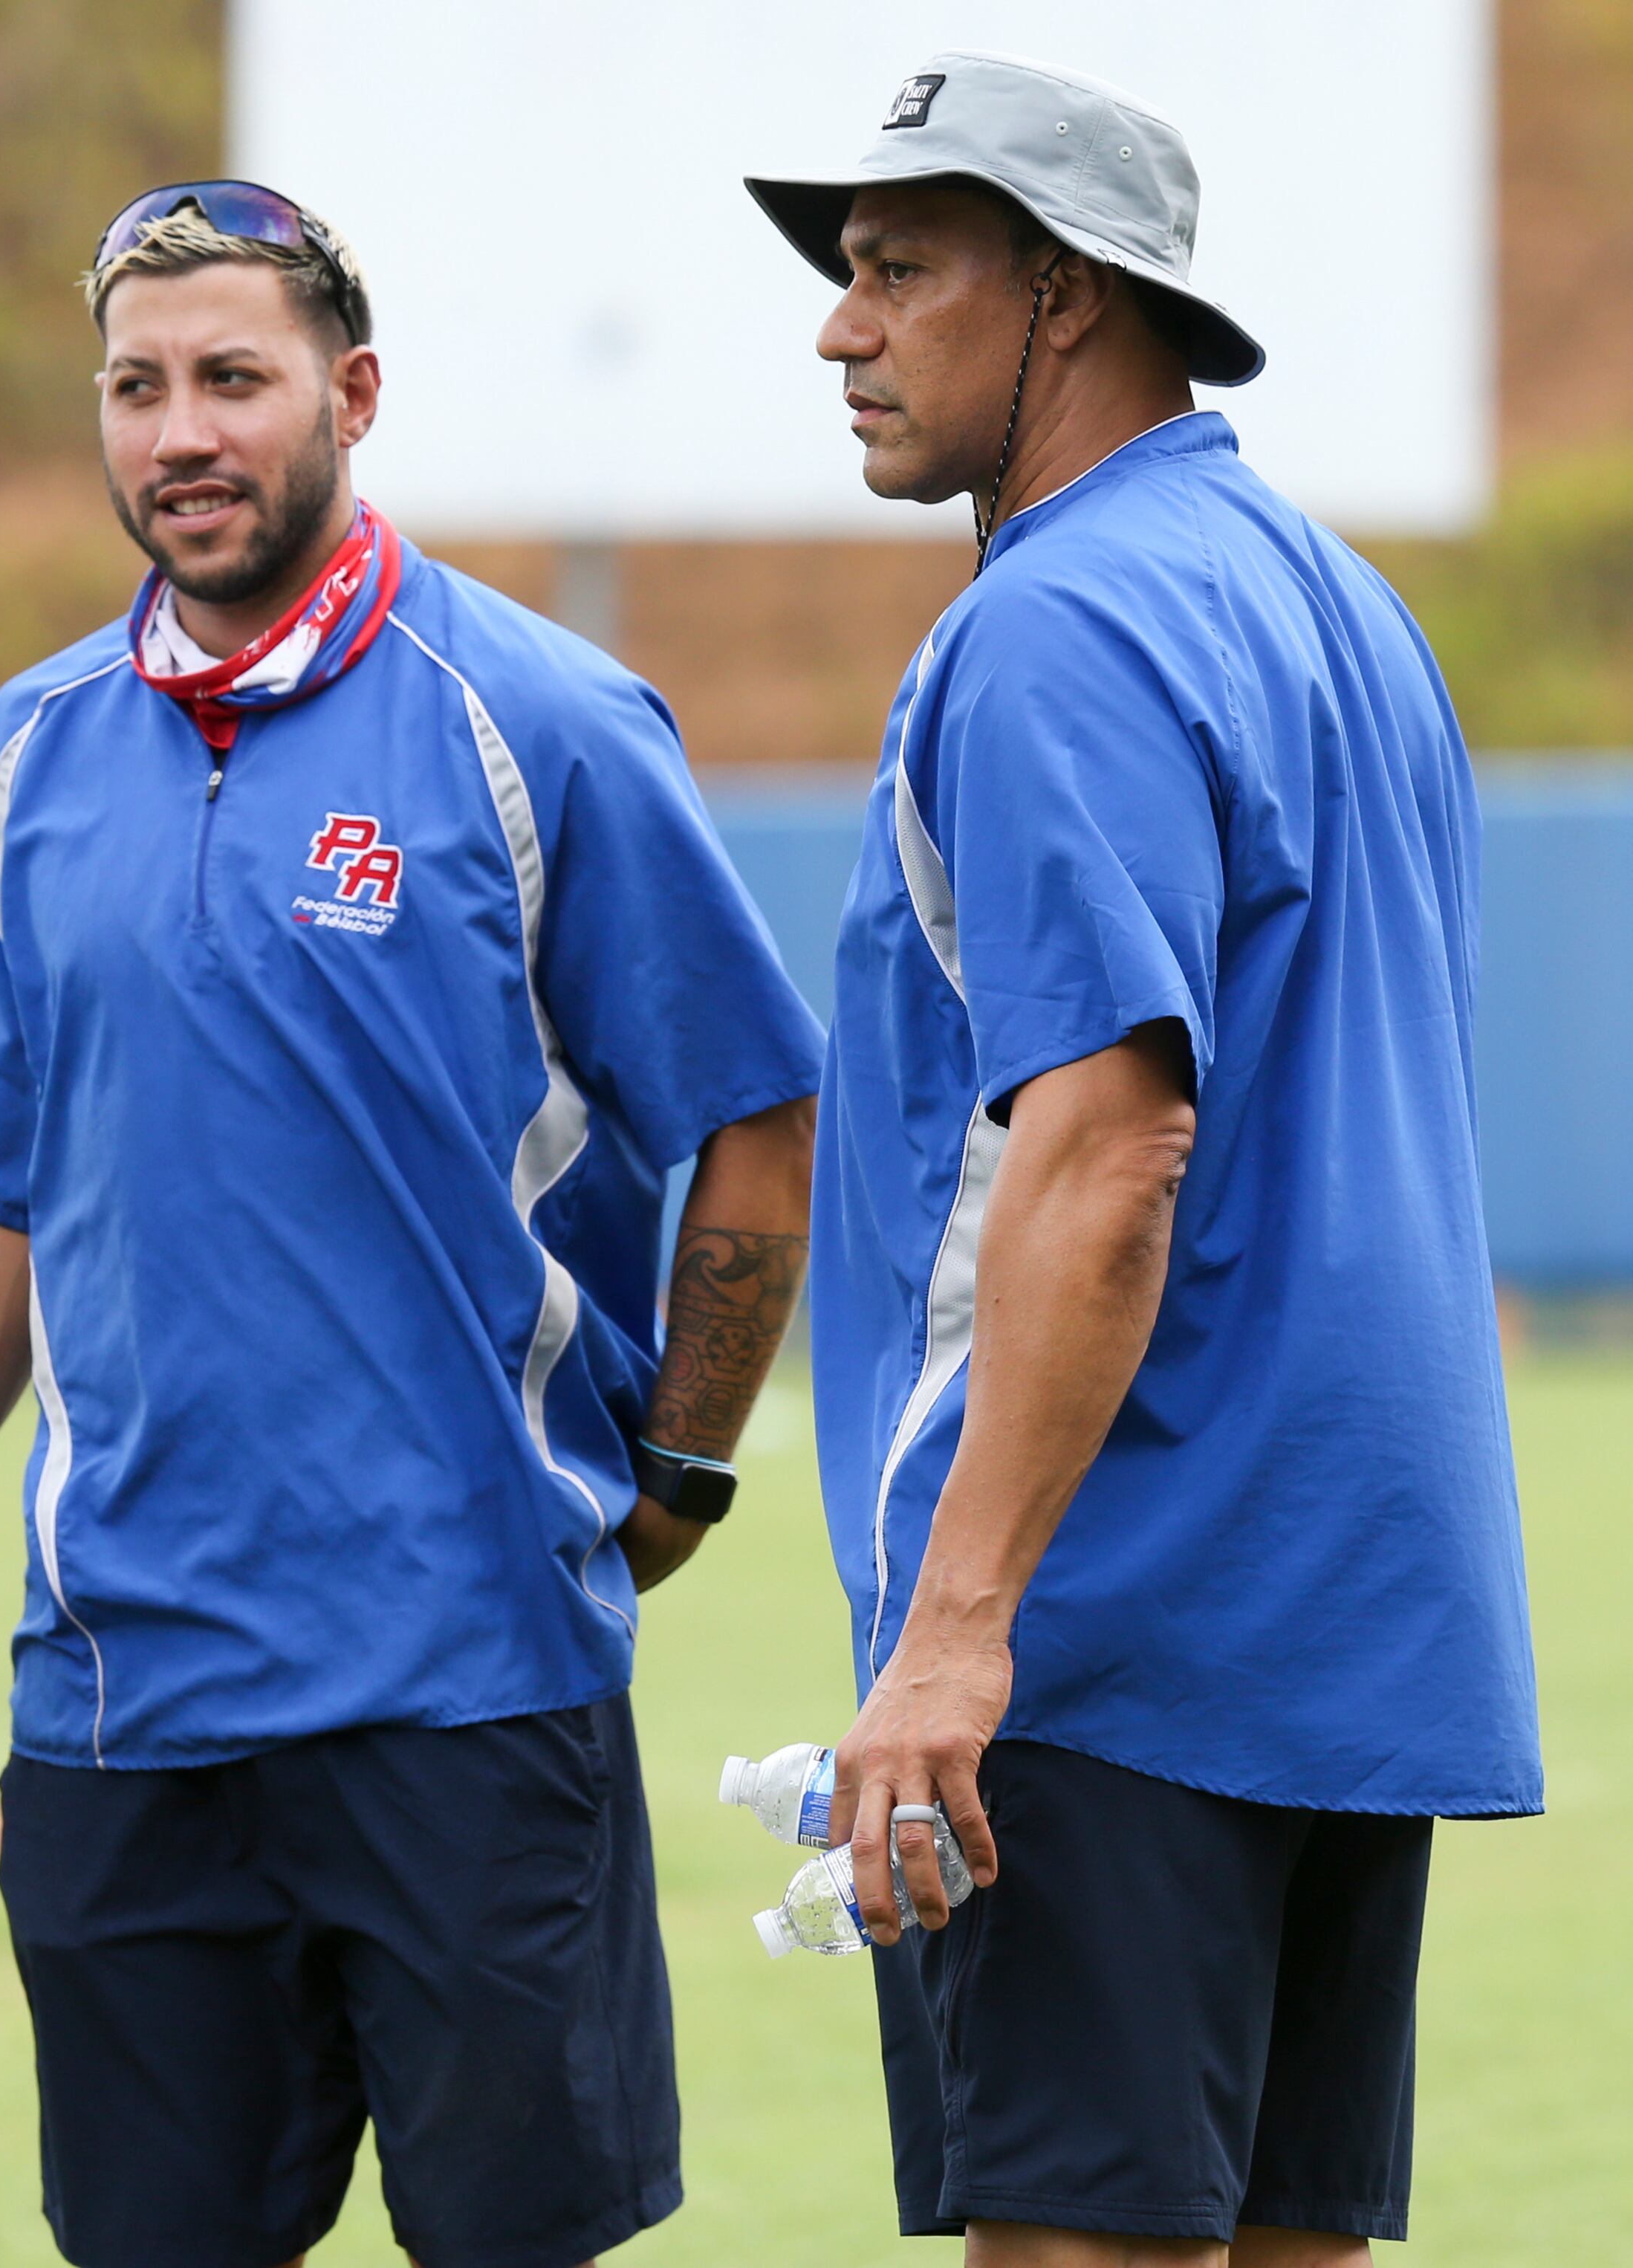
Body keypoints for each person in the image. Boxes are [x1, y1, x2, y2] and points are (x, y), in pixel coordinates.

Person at [0, 181, 824, 2268]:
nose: (181, 431)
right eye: (137, 386)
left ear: (349, 398)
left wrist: (689, 1469)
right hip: (129, 1698)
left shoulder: (535, 719)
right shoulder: (28, 756)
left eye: (233, 379)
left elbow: (758, 1117)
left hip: (467, 1682)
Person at [747, 51, 1541, 2268]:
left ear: (1070, 294)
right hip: (1349, 1608)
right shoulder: (1343, 604)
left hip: (1117, 1618)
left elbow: (1111, 1150)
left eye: (901, 270)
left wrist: (955, 1635)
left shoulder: (1054, 625)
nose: (843, 325)